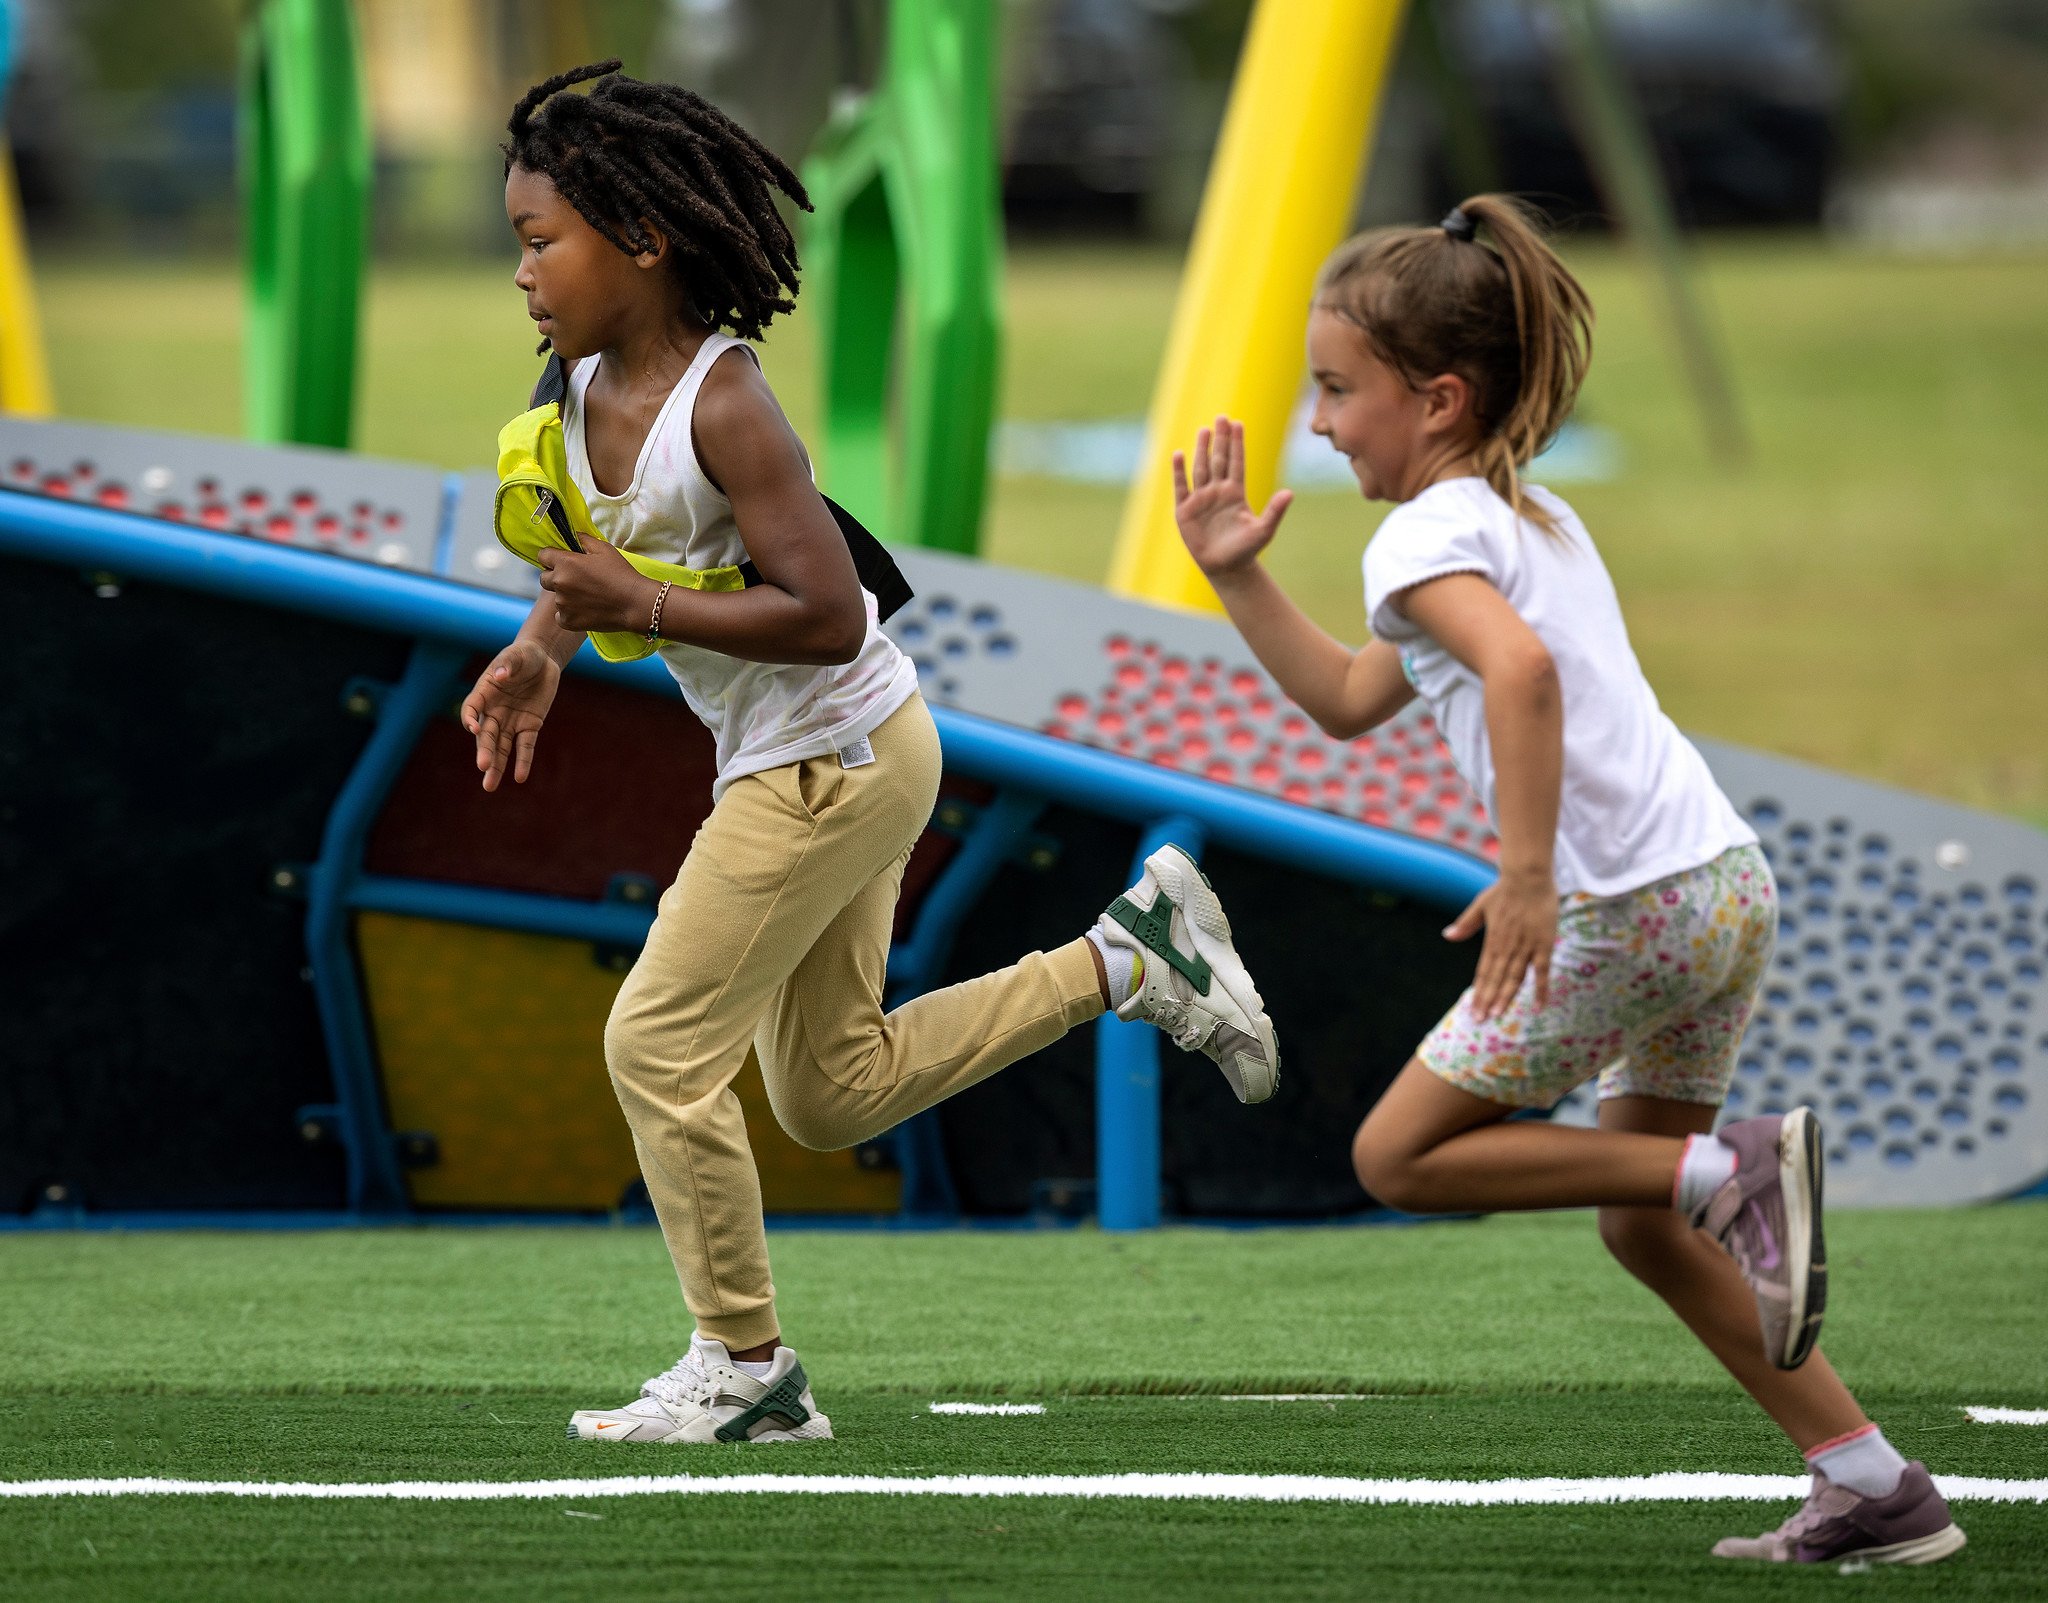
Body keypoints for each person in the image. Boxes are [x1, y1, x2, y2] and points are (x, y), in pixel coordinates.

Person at [461, 63, 1278, 1446]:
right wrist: (546, 641)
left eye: (544, 242)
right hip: (825, 754)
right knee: (829, 1094)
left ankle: (746, 1368)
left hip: (830, 755)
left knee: (655, 1041)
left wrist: (641, 612)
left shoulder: (727, 407)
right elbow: (596, 553)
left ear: (644, 241)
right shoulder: (577, 375)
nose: (524, 273)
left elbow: (832, 613)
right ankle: (1127, 957)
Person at [1168, 195, 1963, 1568]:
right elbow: (1357, 701)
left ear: (1440, 397)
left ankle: (1736, 1169)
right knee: (1646, 1221)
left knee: (1398, 1155)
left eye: (1340, 392)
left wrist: (1526, 879)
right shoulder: (1524, 517)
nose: (1320, 424)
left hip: (1624, 906)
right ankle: (1875, 1484)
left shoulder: (1420, 541)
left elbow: (1522, 677)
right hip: (1718, 886)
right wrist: (1240, 580)